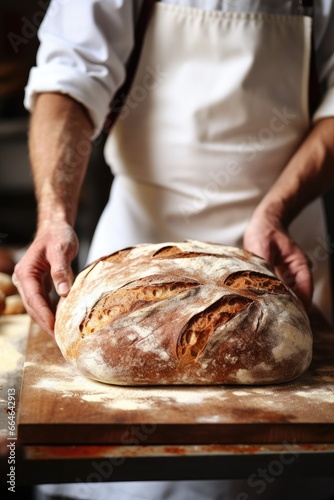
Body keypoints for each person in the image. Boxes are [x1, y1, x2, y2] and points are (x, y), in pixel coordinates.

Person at [12, 0, 334, 499]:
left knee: (280, 466)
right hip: (131, 260)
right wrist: (54, 216)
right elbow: (68, 79)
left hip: (279, 251)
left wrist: (276, 210)